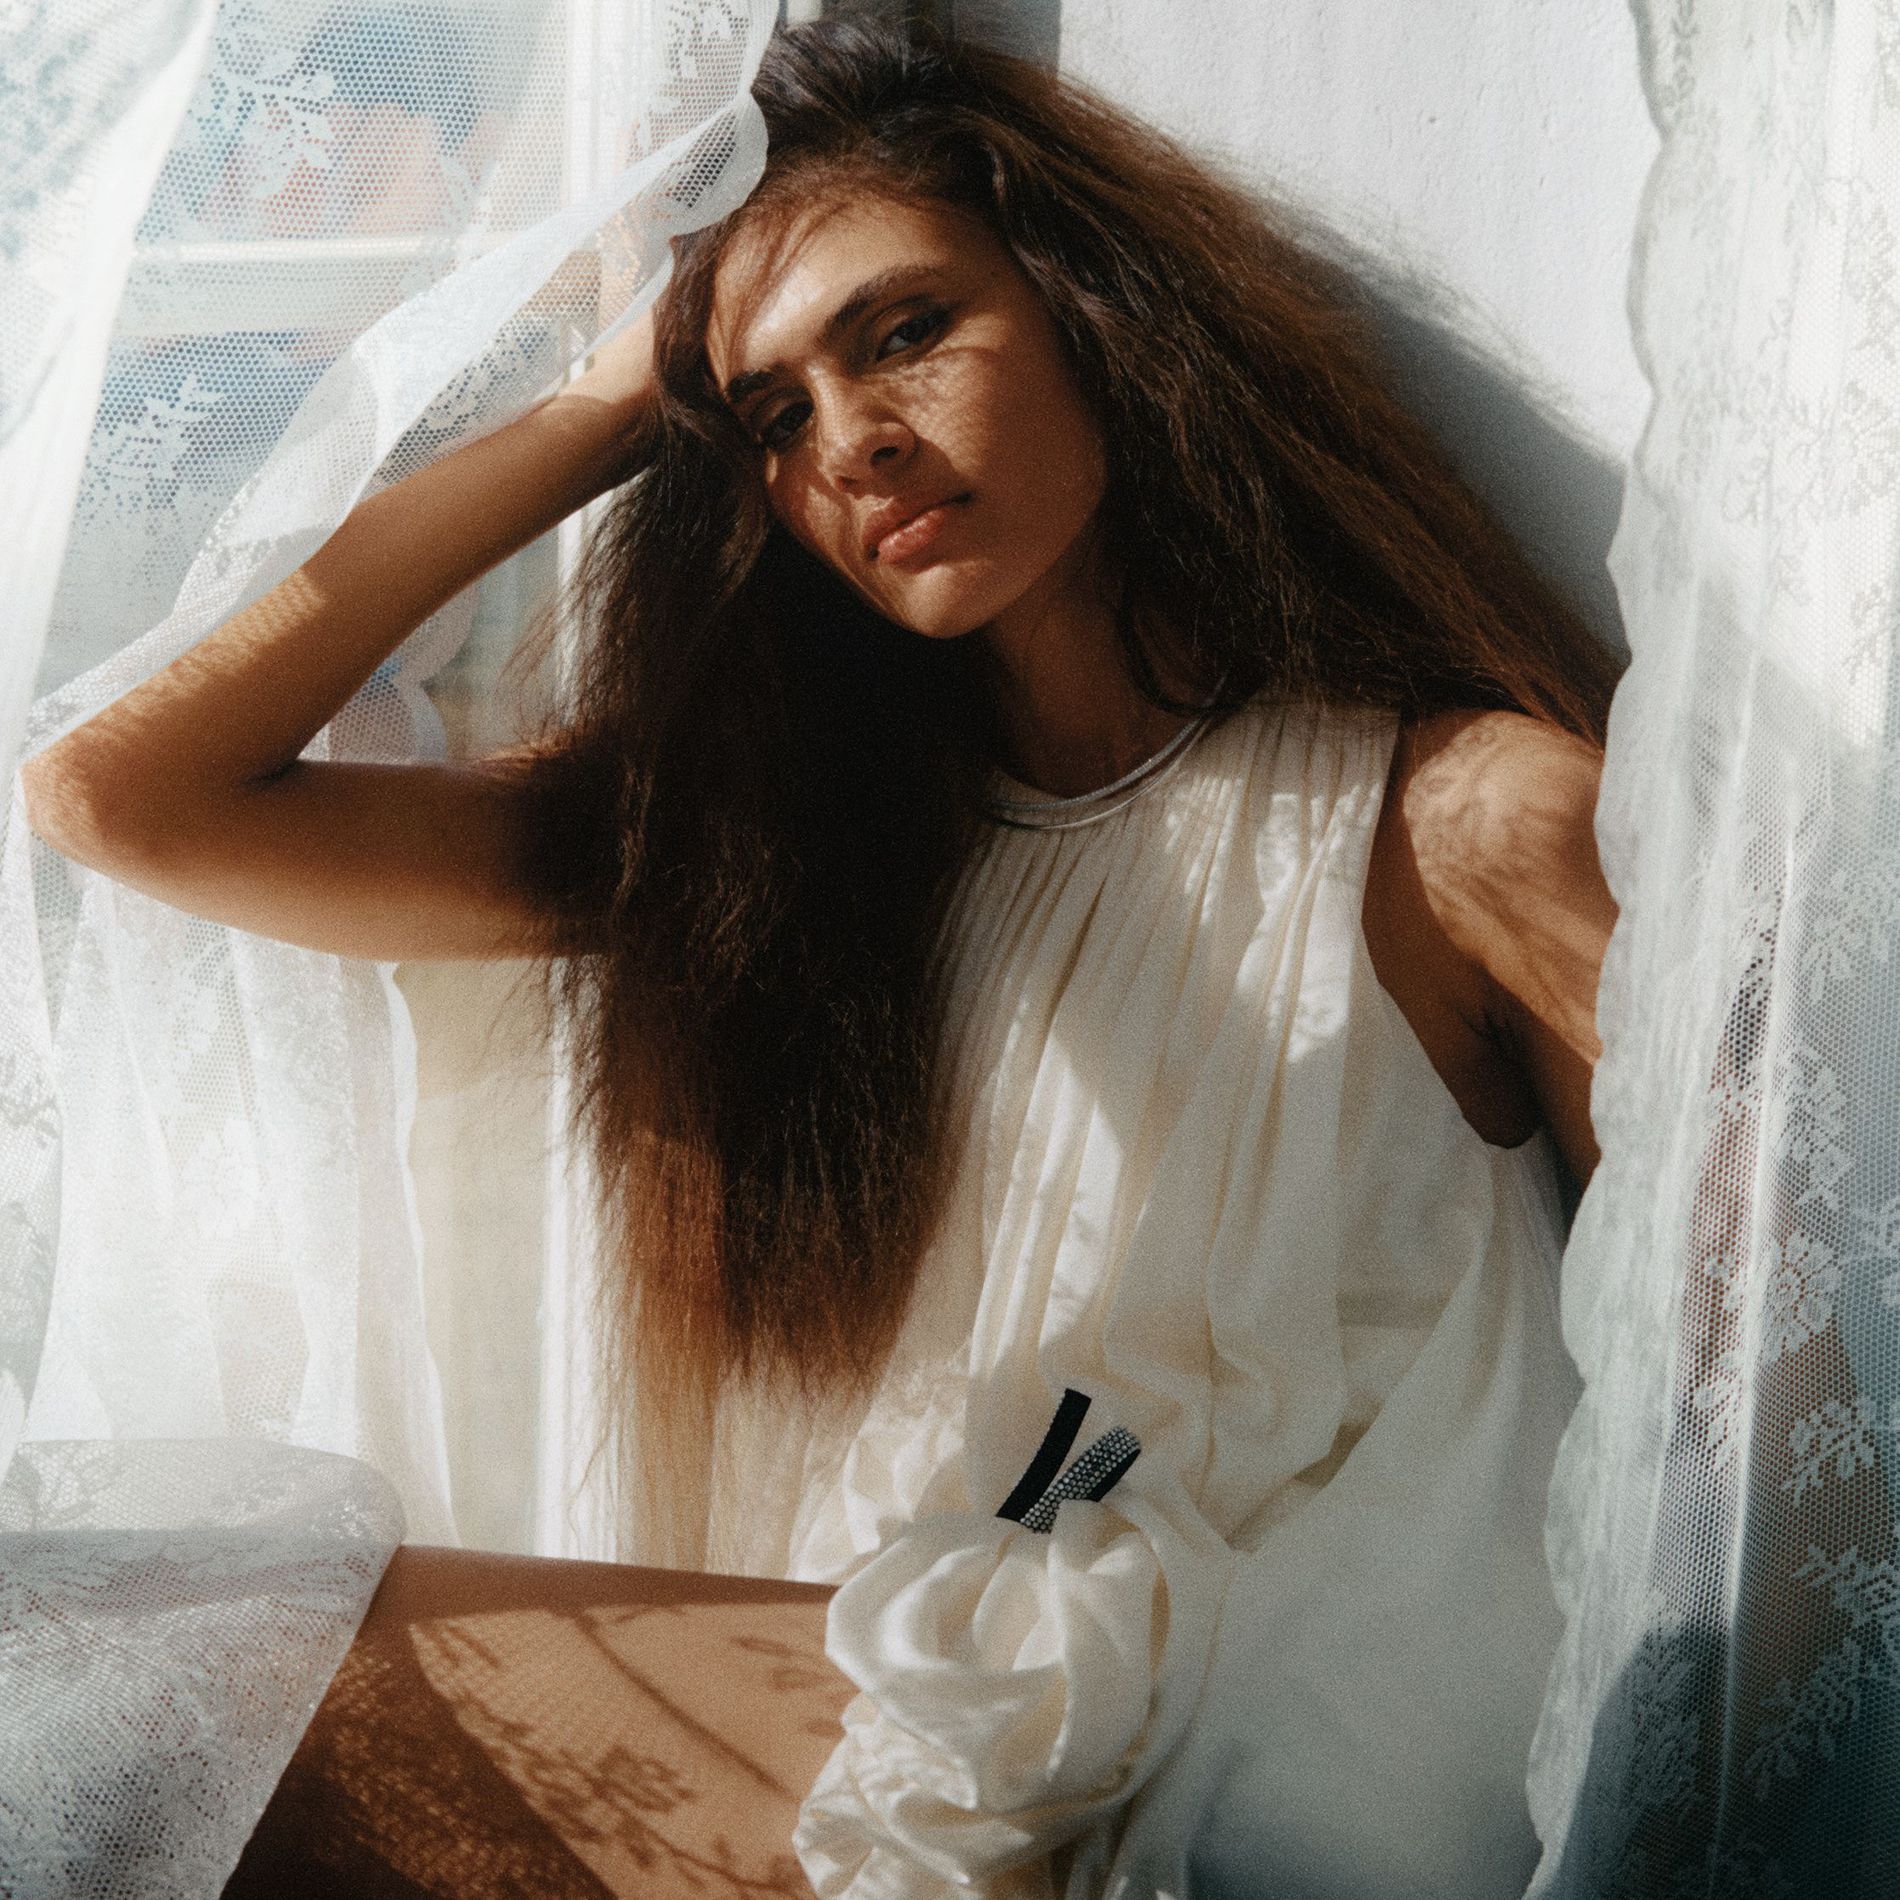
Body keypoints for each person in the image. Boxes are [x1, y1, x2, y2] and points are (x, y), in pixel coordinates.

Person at [22, 15, 1622, 1898]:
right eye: (772, 417)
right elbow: (117, 794)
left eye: (907, 331)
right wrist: (609, 407)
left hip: (1254, 1773)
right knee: (84, 1655)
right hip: (932, 1702)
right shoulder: (793, 861)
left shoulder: (1464, 824)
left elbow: (1747, 1410)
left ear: (1097, 307)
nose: (855, 440)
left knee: (119, 1676)